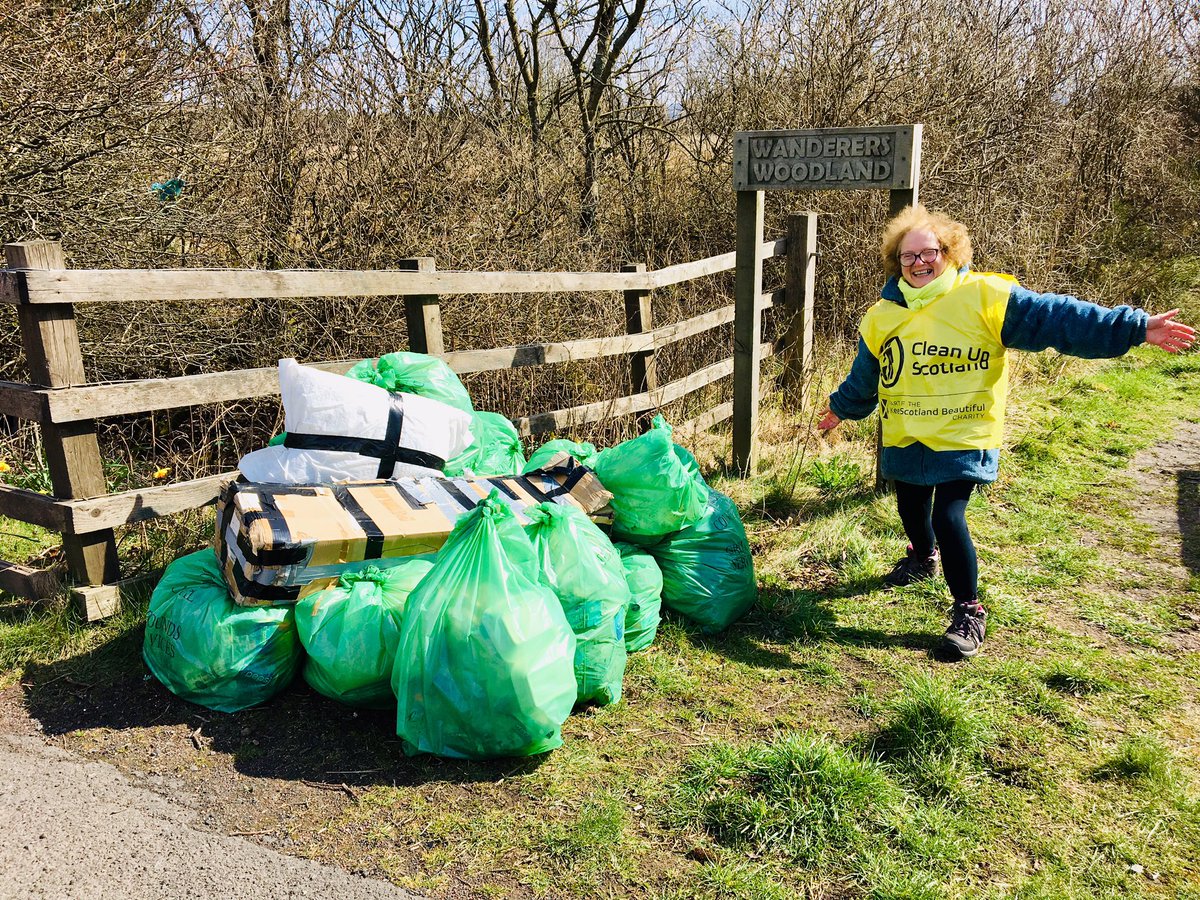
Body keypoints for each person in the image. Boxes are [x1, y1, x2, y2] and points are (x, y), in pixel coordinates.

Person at [817, 205, 1195, 659]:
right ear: (895, 263)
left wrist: (1132, 327)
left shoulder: (986, 297)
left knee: (947, 515)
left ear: (950, 252)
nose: (919, 263)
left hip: (965, 433)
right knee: (909, 502)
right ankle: (922, 558)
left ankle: (968, 611)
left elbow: (1058, 318)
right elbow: (867, 375)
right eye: (908, 256)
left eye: (929, 252)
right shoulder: (881, 316)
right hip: (906, 433)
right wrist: (841, 409)